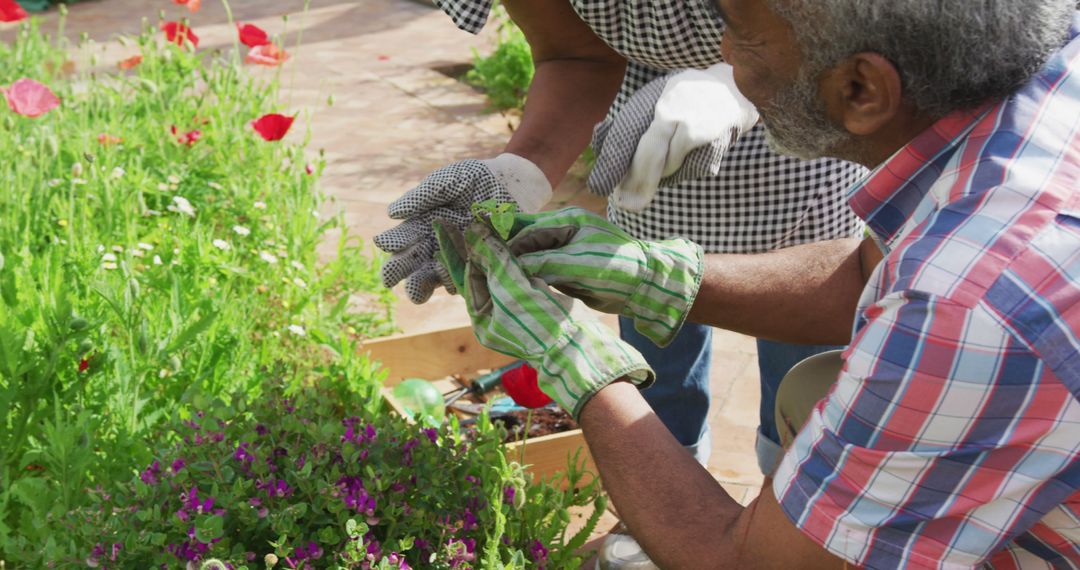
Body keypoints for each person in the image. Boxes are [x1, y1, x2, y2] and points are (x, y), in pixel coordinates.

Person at [434, 0, 1080, 567]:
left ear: (860, 90)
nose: (719, 51)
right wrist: (658, 277)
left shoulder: (961, 307)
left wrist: (570, 357)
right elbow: (871, 271)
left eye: (740, 31)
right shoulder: (1047, 83)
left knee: (811, 429)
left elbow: (745, 560)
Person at [378, 0, 864, 491]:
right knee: (659, 358)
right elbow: (575, 54)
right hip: (644, 150)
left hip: (802, 154)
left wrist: (742, 81)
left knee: (802, 372)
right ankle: (676, 485)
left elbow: (861, 27)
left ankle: (793, 500)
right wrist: (521, 170)